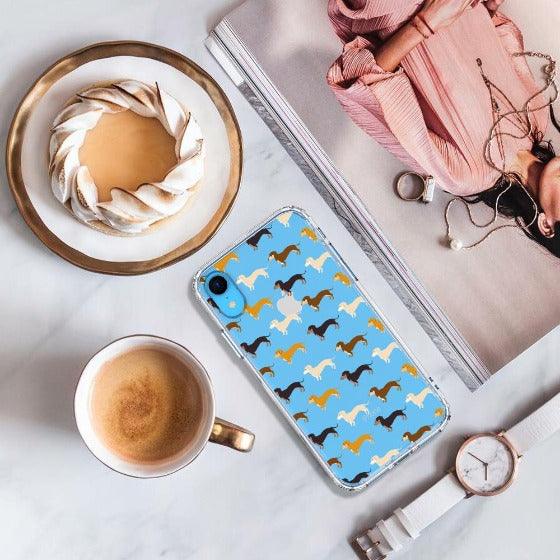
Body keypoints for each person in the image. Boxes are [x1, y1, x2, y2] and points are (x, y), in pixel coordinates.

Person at [327, 0, 560, 256]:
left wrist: (426, 22)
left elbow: (369, 85)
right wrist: (488, 8)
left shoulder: (465, 174)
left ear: (546, 225)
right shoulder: (536, 116)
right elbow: (493, 30)